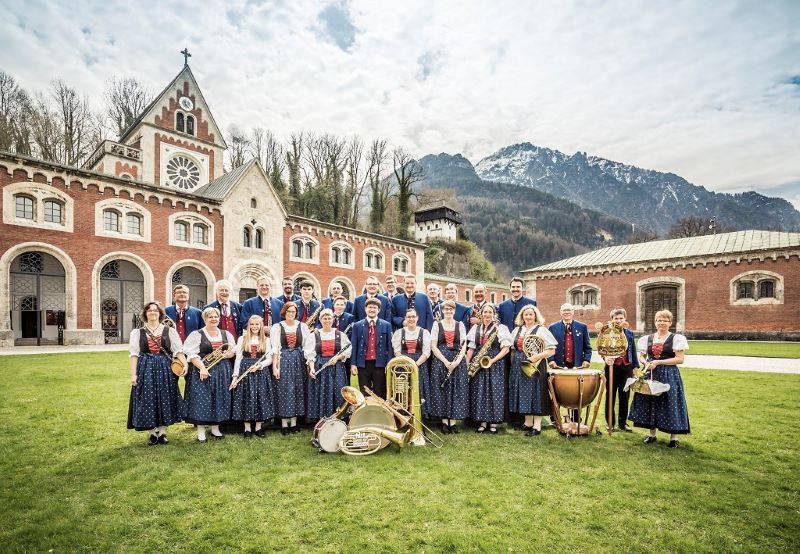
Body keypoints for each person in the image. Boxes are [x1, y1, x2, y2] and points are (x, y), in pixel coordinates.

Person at [127, 301, 186, 445]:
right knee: (148, 398)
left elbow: (178, 351)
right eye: (149, 310)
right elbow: (134, 354)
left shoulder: (169, 331)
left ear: (160, 314)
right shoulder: (137, 333)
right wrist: (133, 374)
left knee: (165, 396)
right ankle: (152, 433)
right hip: (145, 367)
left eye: (155, 310)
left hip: (165, 367)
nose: (153, 313)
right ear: (145, 314)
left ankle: (163, 432)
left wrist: (184, 364)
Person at [629, 310, 690, 448]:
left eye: (665, 320)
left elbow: (680, 359)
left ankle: (673, 438)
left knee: (670, 402)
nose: (662, 323)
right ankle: (652, 435)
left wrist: (658, 362)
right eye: (659, 320)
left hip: (669, 374)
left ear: (670, 322)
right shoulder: (648, 338)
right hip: (651, 373)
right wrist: (646, 363)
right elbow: (642, 356)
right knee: (651, 401)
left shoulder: (676, 338)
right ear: (655, 322)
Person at [182, 307, 237, 442]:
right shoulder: (197, 334)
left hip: (223, 370)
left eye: (215, 317)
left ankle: (215, 428)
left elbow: (233, 350)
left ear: (219, 318)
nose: (213, 319)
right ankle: (201, 431)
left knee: (220, 397)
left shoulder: (226, 334)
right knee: (202, 399)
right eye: (210, 317)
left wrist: (229, 354)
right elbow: (191, 354)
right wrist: (202, 368)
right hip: (203, 370)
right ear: (205, 319)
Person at [508, 305, 557, 436]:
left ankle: (537, 426)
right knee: (523, 393)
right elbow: (513, 349)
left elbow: (551, 350)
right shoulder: (518, 330)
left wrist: (537, 357)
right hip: (518, 364)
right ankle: (528, 423)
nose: (528, 316)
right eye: (526, 314)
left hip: (535, 364)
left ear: (535, 316)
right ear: (522, 316)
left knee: (536, 393)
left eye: (531, 314)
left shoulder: (541, 330)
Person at [466, 303, 512, 434]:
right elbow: (471, 348)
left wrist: (492, 360)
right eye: (485, 312)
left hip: (494, 364)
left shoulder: (501, 328)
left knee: (494, 393)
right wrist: (467, 364)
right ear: (481, 314)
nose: (487, 315)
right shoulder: (476, 328)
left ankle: (493, 423)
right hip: (478, 364)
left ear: (494, 314)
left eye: (490, 312)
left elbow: (506, 349)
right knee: (479, 392)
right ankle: (482, 422)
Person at [230, 315, 274, 439]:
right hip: (245, 371)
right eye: (252, 324)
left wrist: (260, 365)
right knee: (246, 397)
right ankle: (247, 428)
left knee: (260, 397)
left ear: (261, 326)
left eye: (257, 324)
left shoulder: (266, 340)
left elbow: (269, 359)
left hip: (260, 372)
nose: (255, 327)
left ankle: (258, 427)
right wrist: (235, 376)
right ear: (249, 326)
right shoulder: (242, 339)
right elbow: (238, 359)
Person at [428, 300, 469, 434]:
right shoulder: (437, 324)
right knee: (442, 390)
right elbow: (433, 346)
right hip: (440, 361)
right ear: (442, 310)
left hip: (457, 362)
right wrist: (445, 361)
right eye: (446, 309)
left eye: (451, 309)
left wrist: (457, 362)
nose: (449, 311)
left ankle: (453, 422)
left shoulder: (460, 325)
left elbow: (463, 345)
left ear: (454, 310)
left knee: (456, 390)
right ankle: (445, 422)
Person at [304, 309, 352, 420]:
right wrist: (312, 369)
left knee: (337, 391)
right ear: (320, 320)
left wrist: (338, 357)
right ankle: (321, 417)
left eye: (329, 318)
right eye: (324, 318)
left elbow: (347, 351)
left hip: (337, 368)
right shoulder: (314, 335)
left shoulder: (340, 335)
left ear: (333, 320)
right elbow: (310, 354)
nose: (327, 320)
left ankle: (338, 416)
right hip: (320, 366)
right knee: (321, 392)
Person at [271, 302, 311, 435]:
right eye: (288, 312)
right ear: (284, 313)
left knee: (297, 390)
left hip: (299, 361)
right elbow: (275, 349)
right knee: (283, 390)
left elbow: (307, 347)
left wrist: (308, 364)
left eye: (293, 312)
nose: (291, 314)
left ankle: (294, 422)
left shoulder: (303, 326)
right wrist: (275, 367)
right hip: (284, 360)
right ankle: (284, 423)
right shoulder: (277, 327)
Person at [601, 308, 638, 432]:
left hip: (626, 367)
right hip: (612, 367)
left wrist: (635, 367)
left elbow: (633, 351)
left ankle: (623, 423)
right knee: (610, 395)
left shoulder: (629, 333)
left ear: (625, 319)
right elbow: (602, 348)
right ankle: (610, 423)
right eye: (616, 318)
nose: (618, 320)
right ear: (612, 319)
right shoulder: (607, 332)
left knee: (625, 395)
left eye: (621, 318)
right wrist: (606, 358)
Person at [350, 298, 394, 398]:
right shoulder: (357, 325)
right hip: (363, 364)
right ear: (365, 309)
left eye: (375, 307)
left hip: (380, 364)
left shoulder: (386, 325)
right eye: (370, 307)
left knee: (380, 391)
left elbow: (389, 347)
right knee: (364, 391)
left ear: (379, 310)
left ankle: (379, 412)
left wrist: (389, 363)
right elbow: (354, 345)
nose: (372, 309)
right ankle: (366, 412)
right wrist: (353, 364)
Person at [391, 308, 432, 416]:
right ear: (405, 319)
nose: (411, 319)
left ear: (417, 318)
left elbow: (426, 352)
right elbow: (397, 351)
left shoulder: (424, 332)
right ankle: (403, 415)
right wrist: (407, 364)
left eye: (413, 316)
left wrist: (415, 365)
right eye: (409, 317)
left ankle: (419, 415)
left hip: (420, 365)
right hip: (403, 365)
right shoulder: (399, 333)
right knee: (403, 389)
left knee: (419, 389)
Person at [548, 303, 592, 370]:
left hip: (577, 366)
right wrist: (551, 360)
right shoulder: (552, 327)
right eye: (564, 310)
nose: (566, 312)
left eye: (569, 310)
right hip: (558, 366)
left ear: (573, 311)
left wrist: (587, 360)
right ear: (560, 312)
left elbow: (587, 348)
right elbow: (549, 347)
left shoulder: (582, 327)